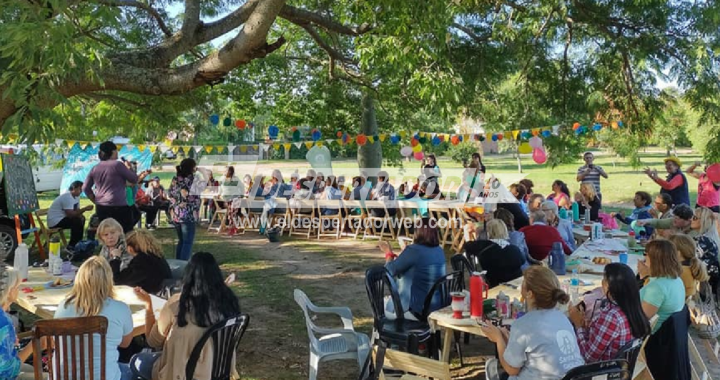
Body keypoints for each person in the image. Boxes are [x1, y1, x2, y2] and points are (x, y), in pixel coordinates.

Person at [128, 252, 240, 380]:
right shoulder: (228, 302)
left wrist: (148, 304)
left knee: (136, 361)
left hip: (182, 373)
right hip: (217, 370)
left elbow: (153, 341)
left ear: (188, 275)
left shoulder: (177, 304)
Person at [481, 266, 584, 380]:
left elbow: (512, 369)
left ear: (529, 294)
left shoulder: (522, 324)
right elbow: (539, 349)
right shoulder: (562, 318)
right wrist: (509, 340)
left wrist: (498, 340)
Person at [54, 257, 134, 380]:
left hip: (63, 376)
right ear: (108, 281)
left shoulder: (63, 307)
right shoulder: (120, 309)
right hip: (103, 376)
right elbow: (125, 343)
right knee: (133, 370)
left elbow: (56, 341)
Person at [568, 263, 651, 363]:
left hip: (603, 372)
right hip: (621, 366)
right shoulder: (633, 307)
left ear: (608, 285)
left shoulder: (612, 316)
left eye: (604, 279)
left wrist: (578, 326)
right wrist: (588, 326)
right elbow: (606, 333)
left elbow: (588, 357)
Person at [378, 218, 446, 319]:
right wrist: (405, 252)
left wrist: (388, 253)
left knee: (378, 305)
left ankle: (382, 333)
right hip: (435, 307)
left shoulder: (413, 251)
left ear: (418, 232)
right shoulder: (439, 251)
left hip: (415, 310)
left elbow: (388, 271)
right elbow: (420, 263)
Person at [83, 141, 141, 233]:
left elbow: (85, 188)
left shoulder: (95, 168)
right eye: (116, 150)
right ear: (112, 152)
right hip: (118, 206)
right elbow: (134, 179)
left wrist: (95, 200)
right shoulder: (117, 165)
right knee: (125, 232)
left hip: (101, 207)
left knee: (107, 233)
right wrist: (129, 168)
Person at [1, 268, 46, 380]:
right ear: (9, 291)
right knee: (52, 376)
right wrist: (34, 344)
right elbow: (8, 372)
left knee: (32, 369)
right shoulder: (4, 322)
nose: (18, 291)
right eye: (17, 287)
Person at [637, 240, 686, 333]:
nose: (644, 257)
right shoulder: (676, 280)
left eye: (645, 254)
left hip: (651, 336)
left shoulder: (657, 288)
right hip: (668, 332)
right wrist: (643, 276)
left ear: (653, 258)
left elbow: (641, 319)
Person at [465, 220, 525, 287]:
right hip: (516, 283)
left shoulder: (483, 246)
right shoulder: (514, 249)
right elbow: (522, 261)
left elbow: (467, 245)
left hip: (494, 284)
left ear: (488, 232)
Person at [110, 230, 172, 294]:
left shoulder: (141, 262)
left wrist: (116, 258)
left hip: (152, 296)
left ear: (130, 248)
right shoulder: (157, 256)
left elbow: (117, 281)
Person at [168, 158, 203, 261]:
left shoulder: (175, 179)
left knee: (181, 241)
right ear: (192, 168)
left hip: (176, 214)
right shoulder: (193, 179)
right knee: (187, 242)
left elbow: (170, 194)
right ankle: (183, 265)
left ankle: (178, 263)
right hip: (189, 214)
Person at [47, 180, 94, 252]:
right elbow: (71, 214)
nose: (81, 191)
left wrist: (81, 214)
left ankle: (78, 242)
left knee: (81, 219)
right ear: (74, 188)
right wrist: (85, 209)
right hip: (55, 221)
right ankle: (72, 245)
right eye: (80, 189)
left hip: (63, 218)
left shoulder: (76, 197)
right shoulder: (67, 197)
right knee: (76, 221)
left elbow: (77, 210)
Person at [690, 207, 720, 293]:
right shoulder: (711, 237)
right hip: (711, 282)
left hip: (705, 284)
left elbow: (692, 261)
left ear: (703, 221)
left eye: (694, 217)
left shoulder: (704, 240)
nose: (691, 219)